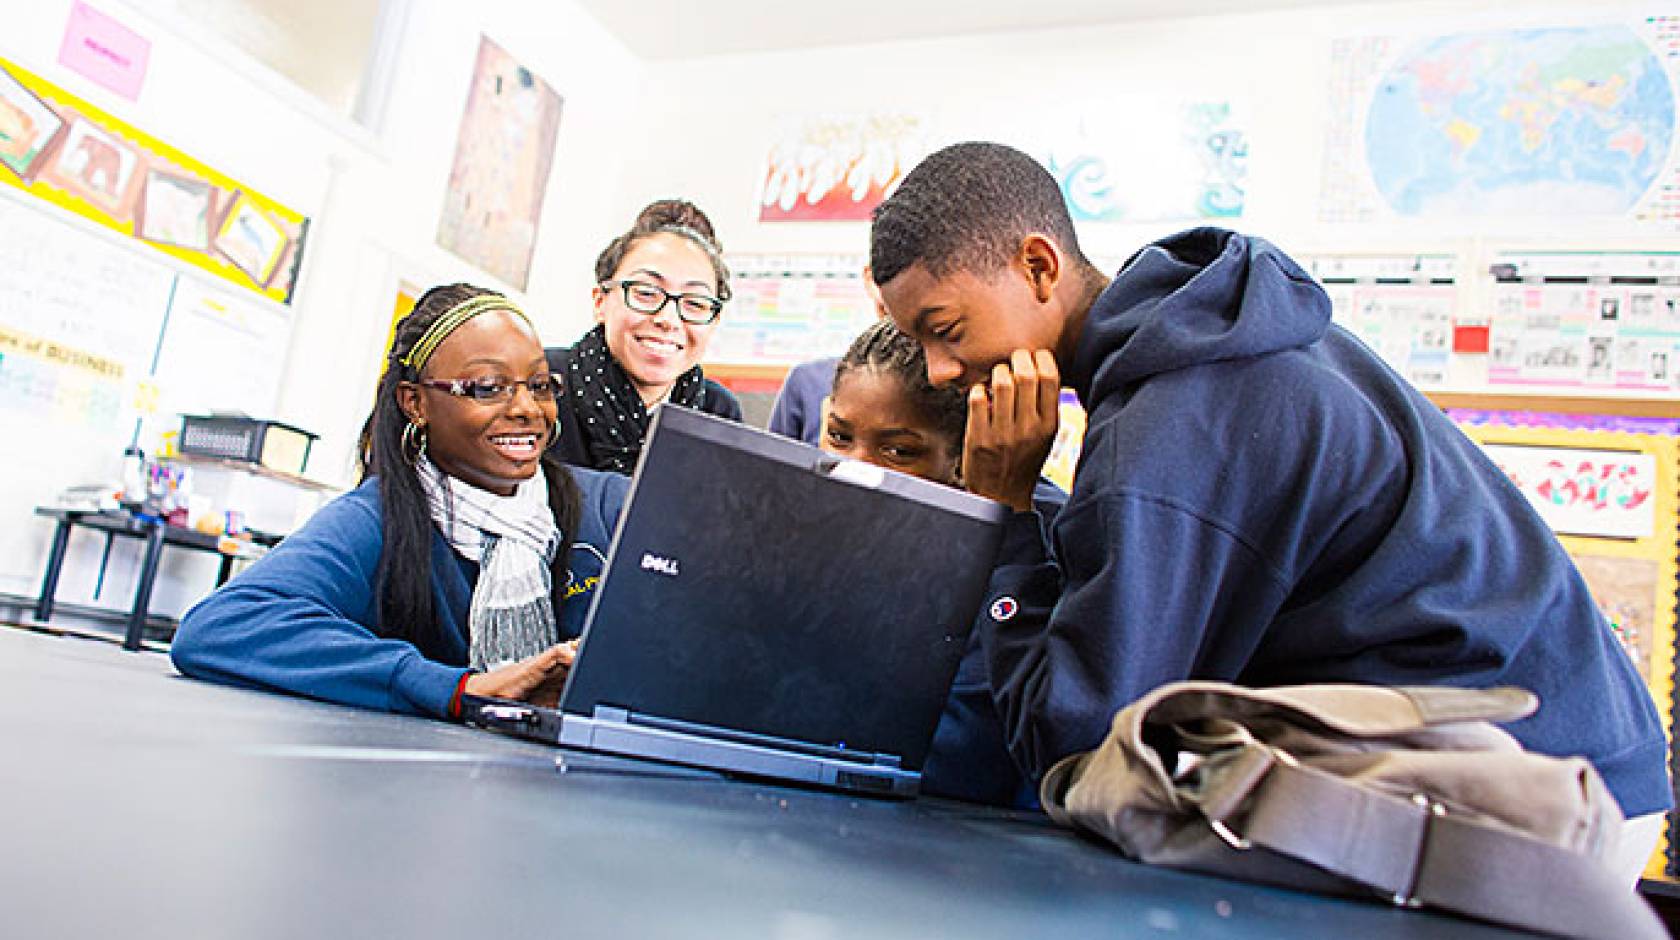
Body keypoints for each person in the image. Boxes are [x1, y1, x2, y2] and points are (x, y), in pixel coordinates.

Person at [867, 141, 1671, 880]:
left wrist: (1005, 507)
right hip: (1576, 742)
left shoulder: (1169, 427)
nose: (939, 371)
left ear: (1039, 266)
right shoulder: (1213, 328)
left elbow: (1076, 744)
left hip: (1524, 791)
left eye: (946, 330)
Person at [172, 284, 629, 718]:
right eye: (488, 387)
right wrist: (455, 687)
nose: (528, 408)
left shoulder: (606, 505)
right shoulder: (377, 519)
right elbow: (220, 627)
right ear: (416, 403)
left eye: (540, 385)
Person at [820, 320, 1062, 807]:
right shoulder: (817, 525)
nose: (858, 469)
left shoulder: (1031, 545)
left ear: (964, 454)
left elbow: (969, 756)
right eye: (839, 437)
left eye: (898, 451)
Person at [548, 199, 741, 474]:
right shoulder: (540, 381)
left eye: (695, 303)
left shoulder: (718, 413)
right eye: (647, 293)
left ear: (714, 320)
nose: (668, 320)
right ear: (600, 301)